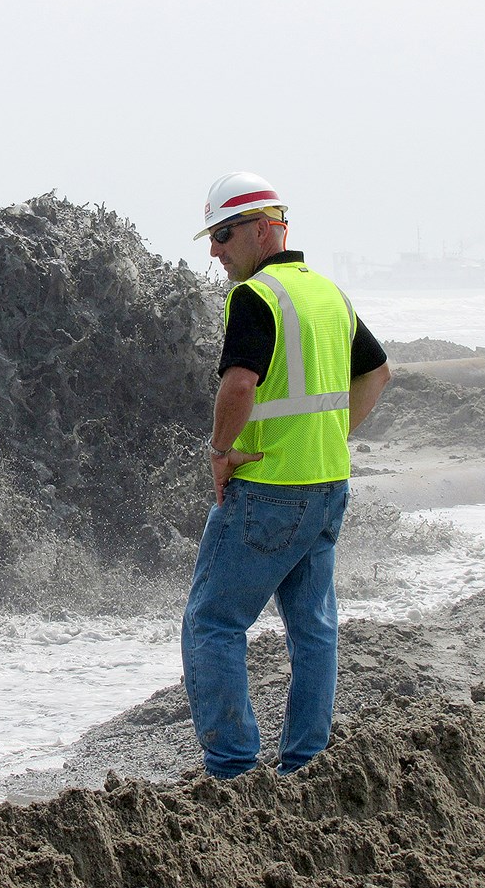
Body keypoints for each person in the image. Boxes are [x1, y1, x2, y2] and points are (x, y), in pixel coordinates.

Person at [180, 171, 391, 779]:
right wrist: (332, 434)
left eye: (222, 234)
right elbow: (377, 374)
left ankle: (232, 768)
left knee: (213, 622)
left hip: (268, 489)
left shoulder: (256, 297)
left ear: (263, 228)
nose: (214, 250)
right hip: (328, 486)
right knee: (313, 628)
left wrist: (220, 450)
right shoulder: (329, 295)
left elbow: (240, 382)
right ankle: (305, 763)